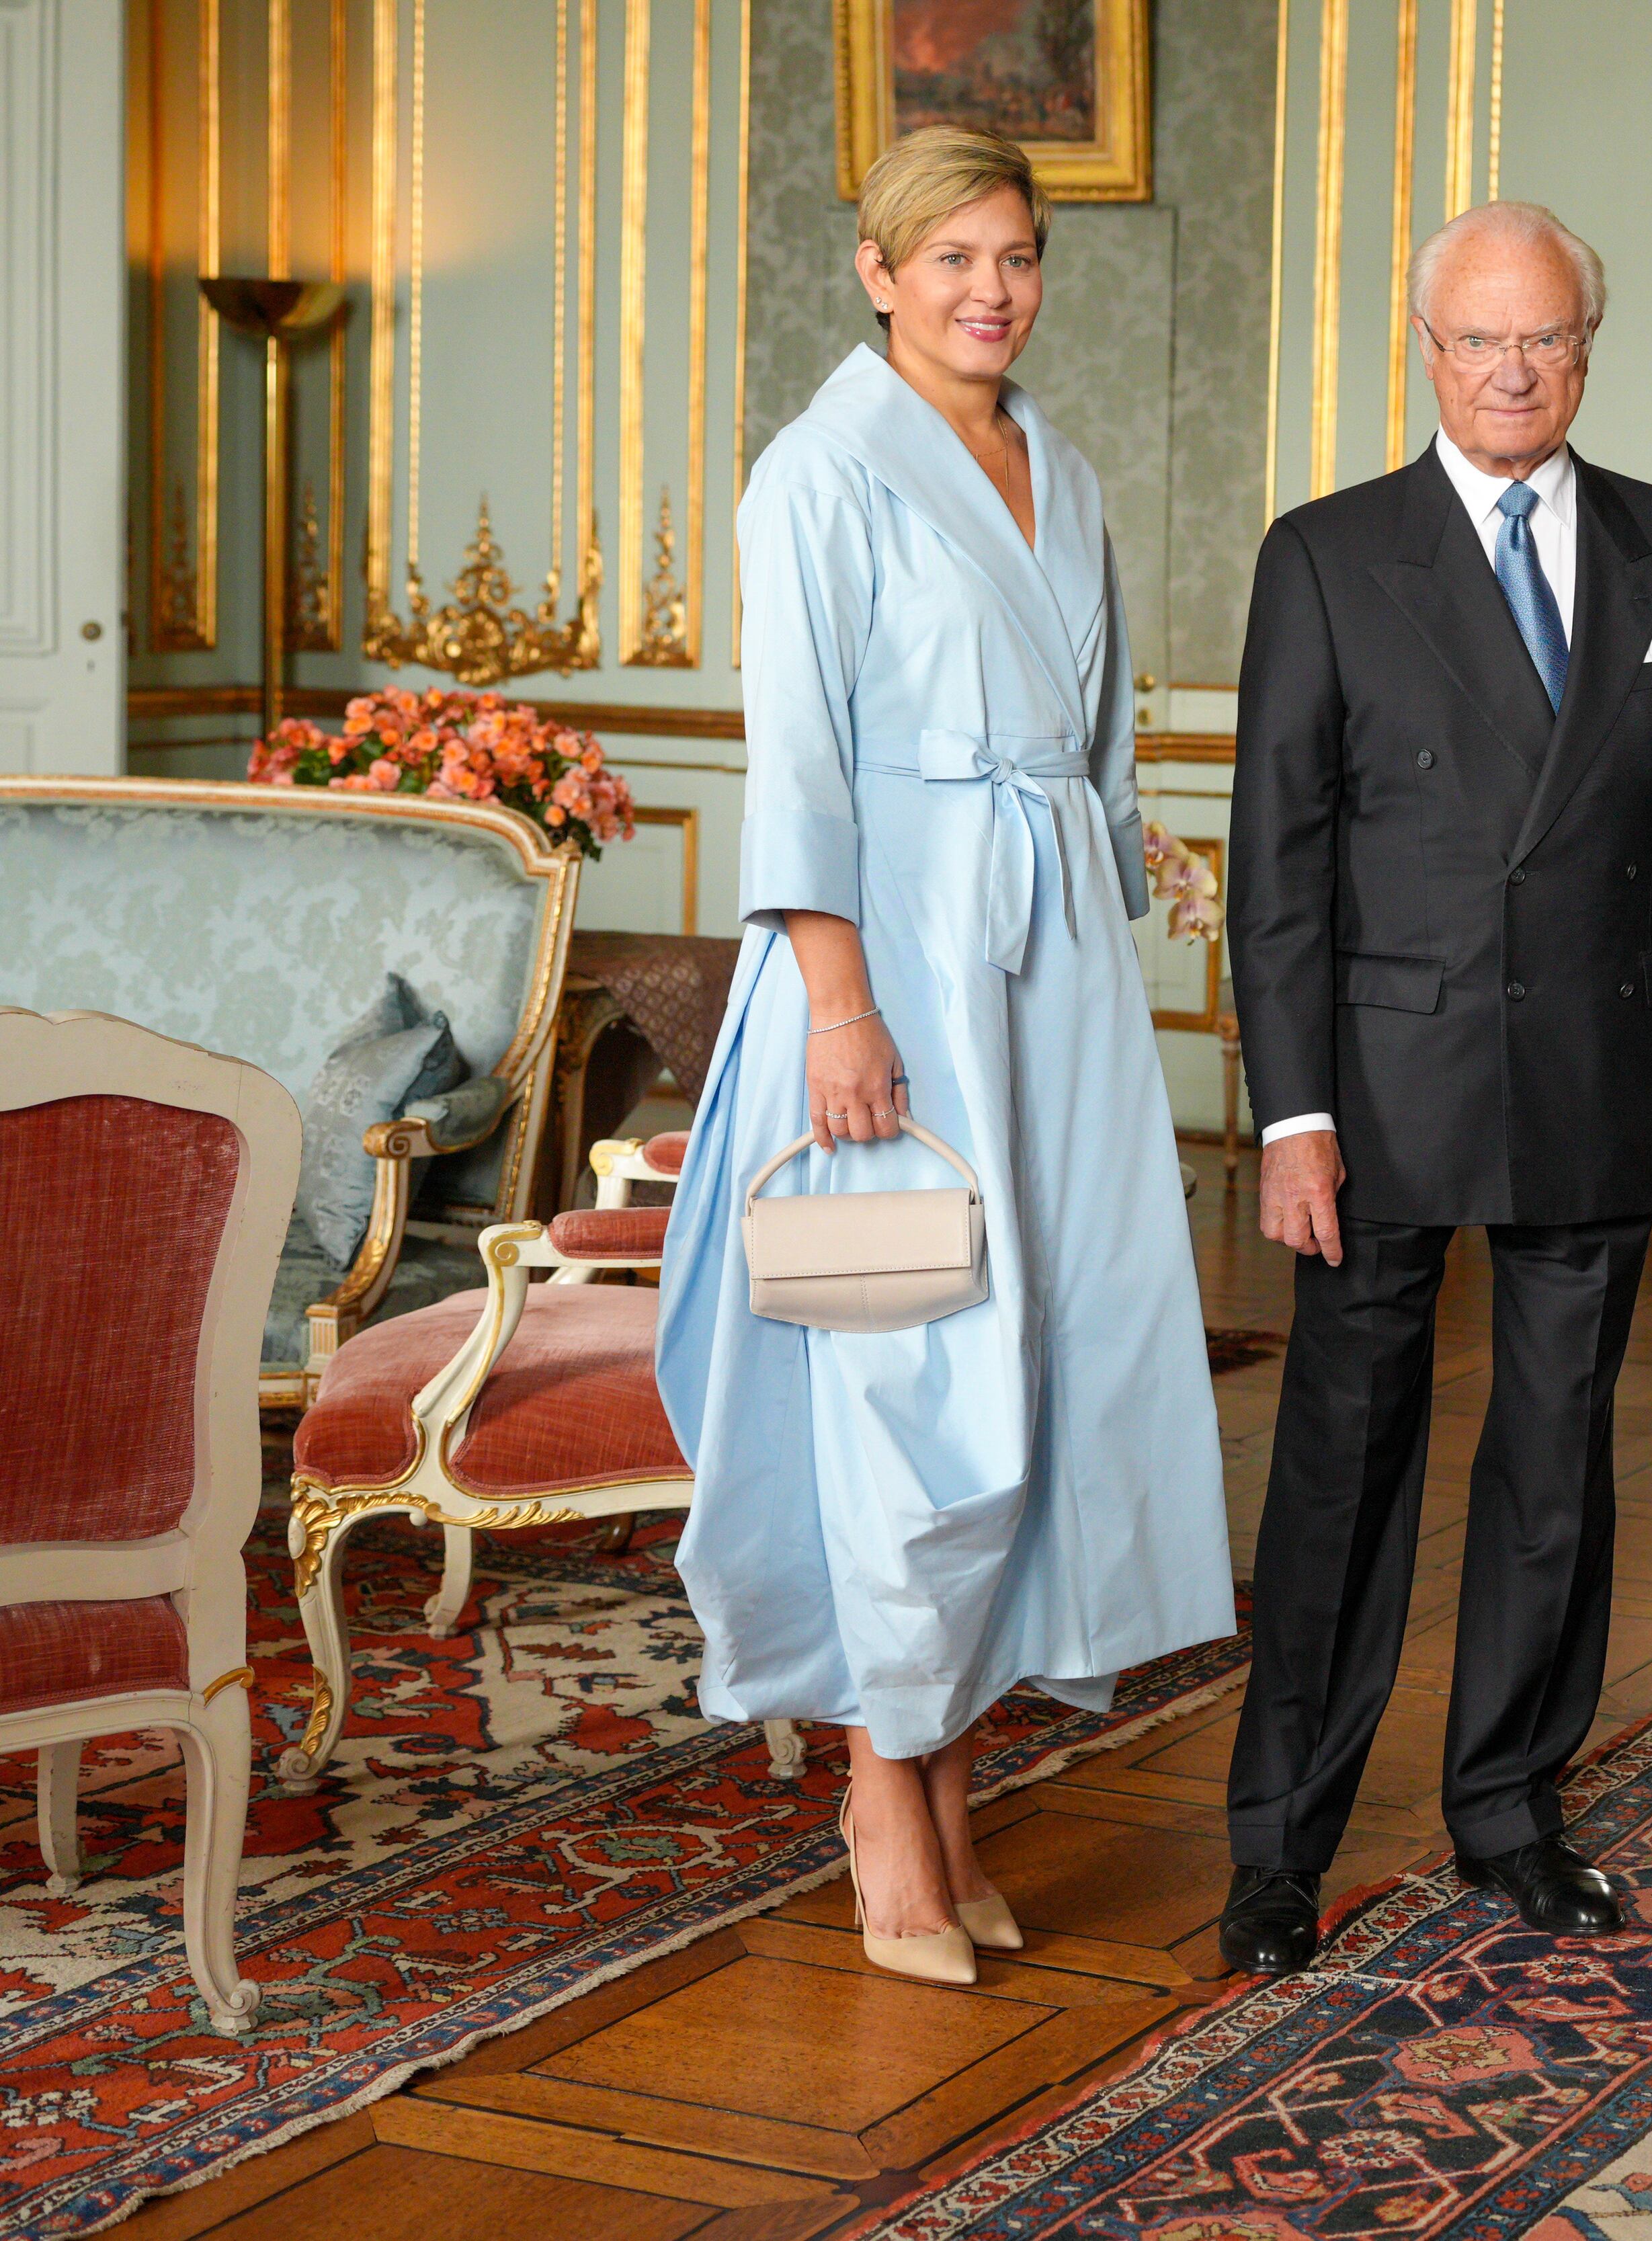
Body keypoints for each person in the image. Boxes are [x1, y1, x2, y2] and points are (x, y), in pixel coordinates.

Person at [655, 127, 1233, 1988]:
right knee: (902, 1378)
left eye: (1020, 255)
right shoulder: (817, 473)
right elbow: (803, 763)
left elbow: (1104, 731)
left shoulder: (1057, 465)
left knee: (1039, 1370)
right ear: (878, 270)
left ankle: (950, 1777)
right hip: (886, 981)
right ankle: (878, 1798)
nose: (993, 287)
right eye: (956, 255)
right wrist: (838, 1006)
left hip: (1047, 978)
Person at [1219, 200, 1652, 1975]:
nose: (1511, 369)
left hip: (1588, 1067)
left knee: (1557, 1467)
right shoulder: (1326, 553)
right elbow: (1278, 861)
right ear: (1426, 346)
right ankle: (1279, 1848)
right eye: (1479, 338)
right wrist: (1291, 1111)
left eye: (1542, 337)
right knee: (1345, 1472)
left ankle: (1510, 1811)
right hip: (1379, 1093)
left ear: (1586, 347)